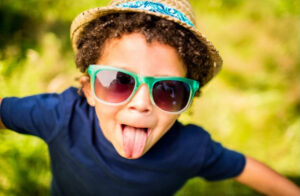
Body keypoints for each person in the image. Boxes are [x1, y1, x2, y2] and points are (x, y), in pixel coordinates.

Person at [0, 0, 299, 195]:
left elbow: (244, 167)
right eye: (118, 81)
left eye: (168, 90)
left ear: (187, 102)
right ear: (89, 90)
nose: (141, 103)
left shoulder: (190, 148)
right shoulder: (61, 116)